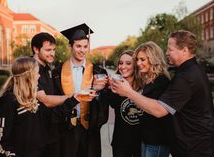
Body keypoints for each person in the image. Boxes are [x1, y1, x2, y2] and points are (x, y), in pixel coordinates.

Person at [111, 30, 214, 157]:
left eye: (170, 49)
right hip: (185, 144)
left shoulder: (186, 77)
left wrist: (128, 92)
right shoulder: (188, 71)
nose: (166, 52)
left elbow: (159, 110)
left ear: (184, 50)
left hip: (193, 147)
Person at [53, 23, 109, 157]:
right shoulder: (57, 72)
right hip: (66, 127)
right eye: (78, 46)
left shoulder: (98, 71)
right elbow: (55, 100)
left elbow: (105, 101)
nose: (82, 50)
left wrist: (98, 92)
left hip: (89, 128)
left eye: (85, 46)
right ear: (70, 46)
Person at [31, 32, 76, 157]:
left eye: (53, 50)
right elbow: (45, 100)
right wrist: (73, 96)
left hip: (51, 130)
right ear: (35, 49)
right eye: (48, 50)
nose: (52, 53)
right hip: (37, 134)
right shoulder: (30, 69)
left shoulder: (47, 68)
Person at [0, 57, 45, 157]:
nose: (39, 76)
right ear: (28, 76)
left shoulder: (32, 97)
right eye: (37, 73)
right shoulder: (9, 100)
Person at [101, 50, 143, 157]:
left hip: (142, 141)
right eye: (120, 63)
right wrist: (106, 88)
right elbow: (110, 104)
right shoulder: (114, 86)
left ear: (135, 65)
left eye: (128, 63)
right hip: (121, 142)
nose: (123, 66)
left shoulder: (144, 85)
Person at [133, 41, 171, 157]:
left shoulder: (162, 81)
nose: (139, 63)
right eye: (137, 60)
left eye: (143, 59)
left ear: (153, 59)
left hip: (157, 141)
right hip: (146, 138)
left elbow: (158, 110)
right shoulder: (148, 80)